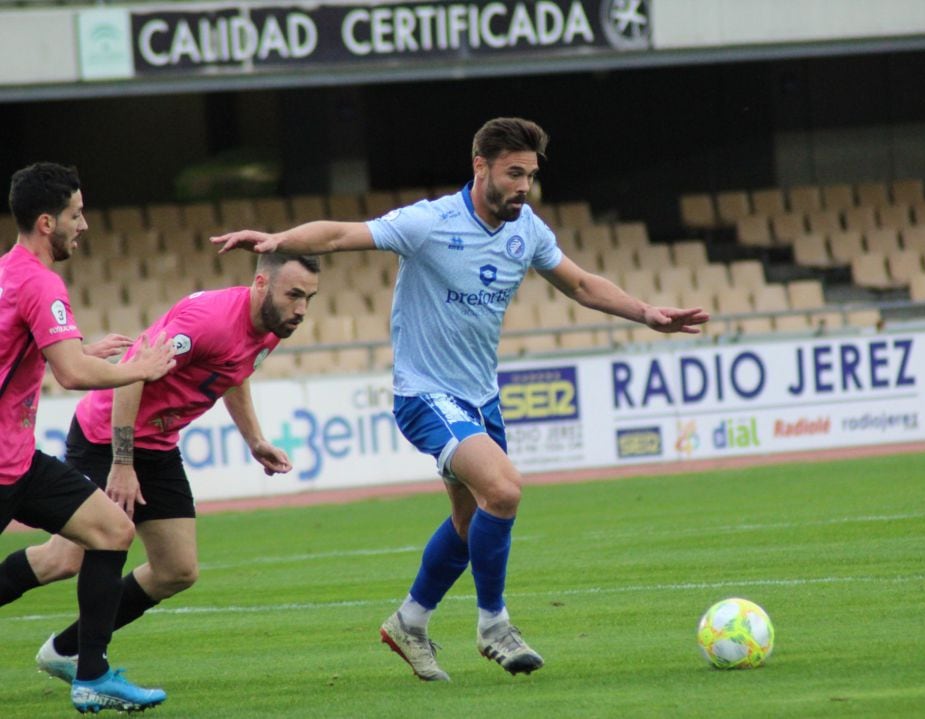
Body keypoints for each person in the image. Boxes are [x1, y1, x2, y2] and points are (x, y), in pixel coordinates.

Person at [212, 117, 710, 682]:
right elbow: (341, 235)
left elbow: (580, 283)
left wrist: (646, 313)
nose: (524, 185)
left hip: (481, 399)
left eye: (531, 174)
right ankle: (494, 623)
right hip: (424, 394)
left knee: (470, 519)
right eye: (513, 173)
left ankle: (411, 619)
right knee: (503, 488)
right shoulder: (430, 222)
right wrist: (280, 241)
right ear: (481, 167)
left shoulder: (528, 232)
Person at [4, 252, 320, 689]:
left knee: (177, 570)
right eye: (294, 295)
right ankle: (85, 664)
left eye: (309, 298)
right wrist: (123, 461)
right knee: (64, 559)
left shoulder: (270, 329)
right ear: (262, 284)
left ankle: (66, 649)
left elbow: (234, 372)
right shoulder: (207, 320)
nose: (301, 309)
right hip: (105, 436)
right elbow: (135, 374)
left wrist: (254, 439)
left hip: (158, 446)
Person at [0, 162, 176, 713]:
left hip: (19, 459)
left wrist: (80, 349)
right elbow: (72, 376)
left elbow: (52, 358)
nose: (85, 225)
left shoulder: (9, 272)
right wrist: (140, 368)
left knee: (110, 530)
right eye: (76, 214)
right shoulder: (39, 281)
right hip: (3, 462)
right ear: (48, 222)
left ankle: (92, 674)